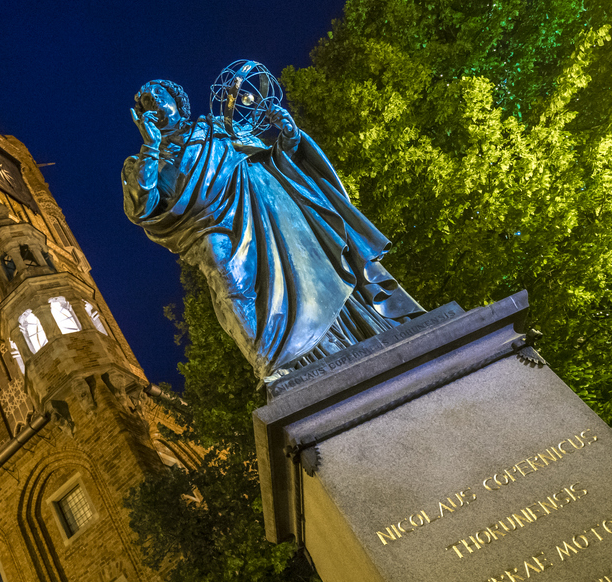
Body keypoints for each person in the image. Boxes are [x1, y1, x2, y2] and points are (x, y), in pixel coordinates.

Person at [122, 78, 423, 382]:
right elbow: (142, 206)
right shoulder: (143, 161)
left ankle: (344, 337)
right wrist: (151, 145)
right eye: (147, 102)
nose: (156, 104)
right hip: (209, 229)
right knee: (226, 274)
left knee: (310, 270)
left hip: (268, 209)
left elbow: (274, 161)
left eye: (161, 95)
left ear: (178, 100)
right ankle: (271, 363)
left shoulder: (217, 127)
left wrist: (289, 135)